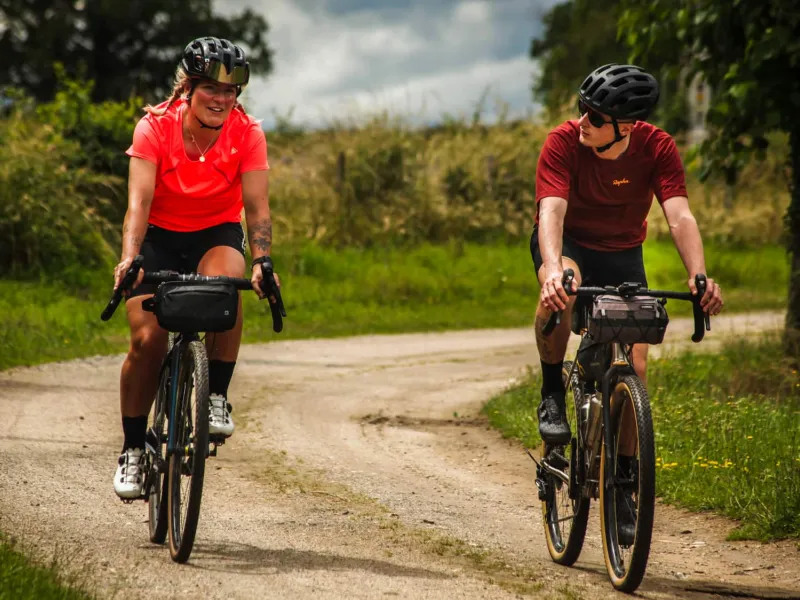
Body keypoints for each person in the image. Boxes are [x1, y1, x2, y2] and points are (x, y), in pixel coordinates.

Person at [531, 63, 723, 543]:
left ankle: (623, 483)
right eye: (582, 109)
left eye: (595, 117)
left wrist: (698, 275)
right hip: (569, 245)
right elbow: (551, 210)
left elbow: (679, 216)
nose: (583, 121)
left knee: (635, 366)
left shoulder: (657, 147)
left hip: (622, 253)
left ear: (627, 126)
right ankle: (552, 392)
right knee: (563, 289)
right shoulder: (563, 142)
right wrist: (552, 269)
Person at [112, 37, 278, 499]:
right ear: (188, 87)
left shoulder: (248, 133)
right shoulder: (154, 127)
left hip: (214, 232)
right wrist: (130, 257)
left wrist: (262, 261)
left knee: (226, 288)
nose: (221, 99)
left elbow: (257, 209)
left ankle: (215, 396)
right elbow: (138, 204)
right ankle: (133, 448)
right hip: (157, 237)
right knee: (148, 340)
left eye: (230, 91)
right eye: (211, 88)